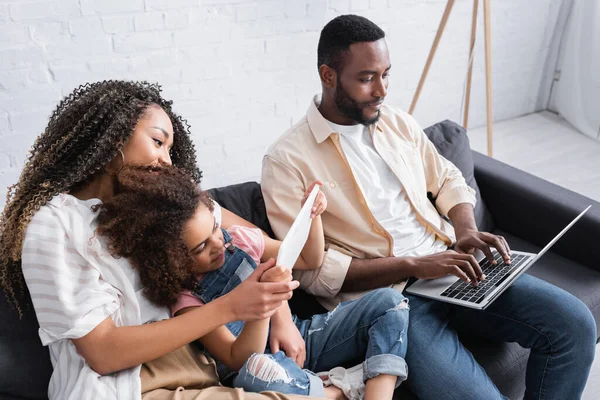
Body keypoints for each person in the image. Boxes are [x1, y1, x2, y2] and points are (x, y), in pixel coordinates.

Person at [261, 14, 597, 400]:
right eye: (367, 77)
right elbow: (310, 272)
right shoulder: (287, 161)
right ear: (329, 75)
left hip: (456, 269)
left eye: (386, 74)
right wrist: (414, 265)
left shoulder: (397, 123)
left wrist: (466, 231)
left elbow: (448, 179)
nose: (381, 90)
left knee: (574, 325)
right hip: (396, 303)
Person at [0, 80, 311, 400]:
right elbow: (103, 353)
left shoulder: (158, 211)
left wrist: (273, 306)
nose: (167, 161)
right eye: (158, 142)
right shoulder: (54, 224)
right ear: (112, 139)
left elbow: (269, 250)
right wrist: (229, 308)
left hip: (200, 373)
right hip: (124, 389)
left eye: (170, 150)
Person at [93, 165, 410, 400]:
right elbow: (239, 358)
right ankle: (338, 387)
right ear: (170, 261)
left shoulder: (239, 240)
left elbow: (307, 258)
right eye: (201, 247)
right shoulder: (186, 300)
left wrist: (311, 218)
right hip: (260, 364)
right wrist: (260, 306)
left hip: (300, 336)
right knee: (260, 372)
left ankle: (372, 392)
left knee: (390, 303)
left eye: (215, 228)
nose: (218, 244)